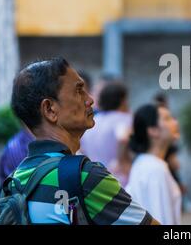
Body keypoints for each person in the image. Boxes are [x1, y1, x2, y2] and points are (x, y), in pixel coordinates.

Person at [10, 58, 157, 225]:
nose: (90, 100)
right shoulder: (84, 176)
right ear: (50, 109)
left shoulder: (16, 180)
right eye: (79, 90)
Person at [126, 104, 181, 225]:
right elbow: (161, 220)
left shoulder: (146, 164)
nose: (175, 123)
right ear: (153, 130)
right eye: (167, 119)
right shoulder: (154, 169)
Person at [80, 81, 132, 186]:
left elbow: (81, 148)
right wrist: (120, 161)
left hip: (94, 178)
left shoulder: (93, 120)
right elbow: (123, 138)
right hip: (119, 179)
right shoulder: (123, 119)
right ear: (122, 100)